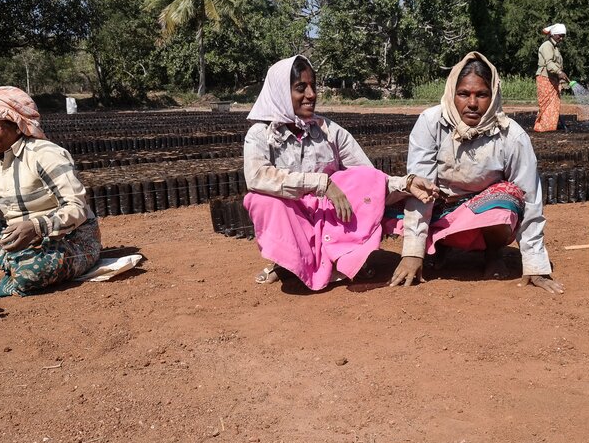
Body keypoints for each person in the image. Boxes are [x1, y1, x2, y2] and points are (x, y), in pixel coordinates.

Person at [243, 55, 438, 290]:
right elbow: (257, 177)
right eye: (300, 88)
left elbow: (369, 178)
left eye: (313, 86)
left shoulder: (330, 131)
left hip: (331, 220)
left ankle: (342, 258)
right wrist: (322, 184)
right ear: (280, 92)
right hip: (294, 217)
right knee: (261, 199)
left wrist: (405, 184)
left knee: (360, 178)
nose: (311, 94)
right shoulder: (260, 134)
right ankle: (291, 261)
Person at [388, 52, 564, 294]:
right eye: (464, 94)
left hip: (485, 213)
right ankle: (436, 247)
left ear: (493, 96)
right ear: (452, 93)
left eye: (481, 95)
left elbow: (531, 198)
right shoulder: (431, 123)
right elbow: (422, 188)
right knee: (392, 194)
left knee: (508, 197)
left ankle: (493, 254)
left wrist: (535, 265)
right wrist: (412, 253)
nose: (472, 103)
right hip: (439, 206)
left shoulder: (511, 135)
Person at [0, 87, 101, 297]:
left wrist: (37, 227)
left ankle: (4, 271)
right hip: (18, 242)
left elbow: (76, 207)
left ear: (16, 125)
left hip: (71, 240)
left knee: (30, 271)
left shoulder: (46, 155)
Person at [533, 23, 569, 133]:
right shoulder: (547, 46)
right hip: (545, 78)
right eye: (560, 35)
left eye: (563, 36)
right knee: (546, 104)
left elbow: (557, 64)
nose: (561, 38)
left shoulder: (555, 47)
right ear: (553, 34)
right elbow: (549, 63)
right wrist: (559, 72)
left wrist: (561, 78)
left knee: (554, 103)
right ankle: (543, 127)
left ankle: (549, 126)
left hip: (553, 79)